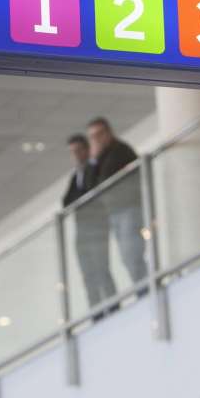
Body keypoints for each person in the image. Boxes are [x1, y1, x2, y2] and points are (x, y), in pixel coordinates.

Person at [86, 117, 147, 285]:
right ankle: (142, 288)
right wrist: (92, 160)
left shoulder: (120, 150)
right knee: (126, 257)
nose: (96, 140)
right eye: (92, 137)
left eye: (99, 134)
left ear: (108, 133)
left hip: (129, 209)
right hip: (115, 212)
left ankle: (145, 289)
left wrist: (96, 158)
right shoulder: (98, 158)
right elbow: (90, 187)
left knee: (131, 255)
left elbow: (105, 180)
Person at [62, 134, 117, 311]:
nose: (76, 155)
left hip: (97, 228)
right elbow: (66, 203)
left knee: (101, 269)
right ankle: (96, 311)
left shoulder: (94, 169)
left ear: (86, 150)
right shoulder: (75, 176)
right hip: (82, 231)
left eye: (79, 150)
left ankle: (112, 306)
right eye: (72, 152)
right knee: (88, 275)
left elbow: (91, 193)